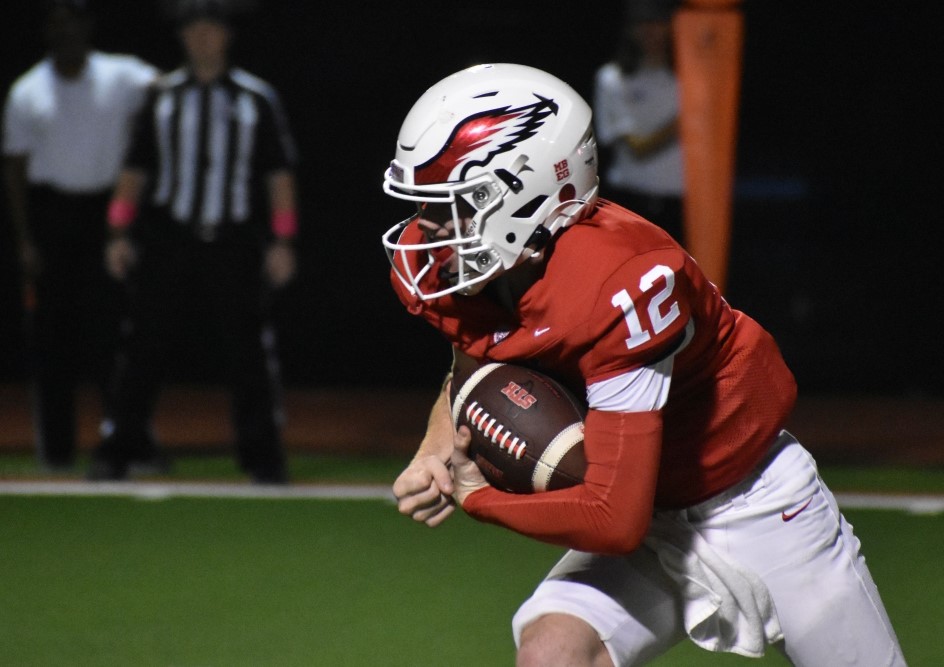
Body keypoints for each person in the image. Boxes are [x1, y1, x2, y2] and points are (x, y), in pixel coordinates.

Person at [383, 64, 906, 666]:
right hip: (652, 509)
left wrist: (477, 497)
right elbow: (473, 361)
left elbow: (614, 519)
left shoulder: (622, 278)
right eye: (425, 206)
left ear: (525, 193)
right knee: (552, 655)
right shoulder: (461, 272)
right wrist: (434, 449)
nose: (427, 232)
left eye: (452, 208)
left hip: (756, 502)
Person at [89, 0, 299, 483]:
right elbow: (135, 169)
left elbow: (279, 175)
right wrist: (118, 232)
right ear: (182, 37)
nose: (203, 37)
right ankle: (119, 449)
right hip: (170, 238)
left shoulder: (255, 98)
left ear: (227, 36)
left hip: (233, 241)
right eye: (194, 29)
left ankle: (263, 457)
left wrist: (283, 240)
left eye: (212, 28)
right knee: (142, 348)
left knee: (249, 353)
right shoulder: (161, 96)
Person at [2, 0, 159, 471]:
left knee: (114, 336)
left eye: (74, 23)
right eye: (57, 24)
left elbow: (167, 86)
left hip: (107, 216)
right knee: (51, 338)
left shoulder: (121, 75)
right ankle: (56, 450)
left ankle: (125, 442)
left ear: (88, 28)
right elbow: (14, 169)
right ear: (47, 31)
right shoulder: (27, 91)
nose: (66, 33)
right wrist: (24, 239)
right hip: (52, 216)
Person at [592, 0, 684, 242]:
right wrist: (688, 121)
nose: (651, 32)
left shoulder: (690, 77)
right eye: (643, 24)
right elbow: (637, 148)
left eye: (658, 23)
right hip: (631, 199)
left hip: (682, 203)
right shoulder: (612, 78)